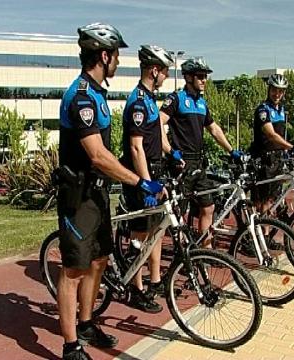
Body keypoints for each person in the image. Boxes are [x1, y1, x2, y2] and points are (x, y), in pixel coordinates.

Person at [57, 23, 163, 360]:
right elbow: (97, 155)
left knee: (100, 260)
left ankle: (86, 323)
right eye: (116, 55)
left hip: (99, 194)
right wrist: (137, 180)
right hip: (79, 198)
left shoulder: (99, 95)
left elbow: (107, 153)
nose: (118, 61)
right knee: (73, 270)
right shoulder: (82, 98)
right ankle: (71, 346)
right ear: (105, 55)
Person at [160, 57, 241, 247]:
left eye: (205, 76)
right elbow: (158, 124)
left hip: (198, 163)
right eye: (200, 76)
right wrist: (170, 151)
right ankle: (179, 255)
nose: (204, 80)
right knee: (178, 211)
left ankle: (206, 250)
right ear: (188, 77)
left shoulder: (202, 103)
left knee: (208, 206)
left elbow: (214, 129)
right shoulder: (177, 99)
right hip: (181, 163)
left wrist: (232, 151)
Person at [121, 45, 174, 312]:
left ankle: (154, 281)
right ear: (154, 70)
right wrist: (145, 183)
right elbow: (135, 147)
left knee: (157, 230)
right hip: (141, 176)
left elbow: (156, 138)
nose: (165, 75)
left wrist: (171, 152)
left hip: (155, 170)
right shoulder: (138, 102)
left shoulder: (150, 99)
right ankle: (136, 288)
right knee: (140, 235)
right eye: (164, 70)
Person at [249, 74, 294, 249]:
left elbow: (282, 135)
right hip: (263, 159)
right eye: (274, 90)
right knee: (263, 201)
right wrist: (291, 147)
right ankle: (260, 237)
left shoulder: (282, 110)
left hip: (277, 159)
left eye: (280, 91)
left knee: (273, 199)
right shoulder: (263, 110)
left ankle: (265, 235)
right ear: (269, 89)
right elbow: (271, 135)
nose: (277, 94)